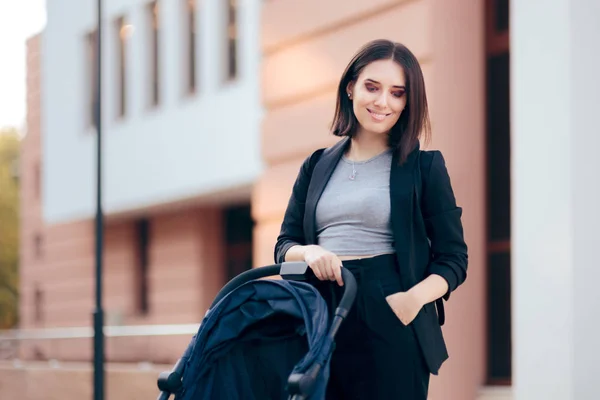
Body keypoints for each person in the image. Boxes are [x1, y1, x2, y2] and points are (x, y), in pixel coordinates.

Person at [274, 39, 468, 399]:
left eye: (397, 93)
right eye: (372, 87)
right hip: (322, 310)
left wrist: (412, 301)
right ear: (351, 88)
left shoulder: (424, 168)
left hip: (391, 306)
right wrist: (309, 252)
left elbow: (454, 259)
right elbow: (284, 246)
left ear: (409, 102)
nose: (383, 103)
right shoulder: (316, 166)